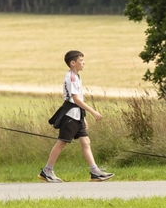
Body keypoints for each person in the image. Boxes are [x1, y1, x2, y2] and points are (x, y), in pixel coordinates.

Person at [39, 50, 114, 183]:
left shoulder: (76, 76)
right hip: (71, 115)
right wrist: (93, 112)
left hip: (77, 114)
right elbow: (75, 99)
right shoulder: (71, 77)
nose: (84, 63)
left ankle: (95, 172)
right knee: (62, 142)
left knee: (86, 142)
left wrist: (82, 117)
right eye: (81, 60)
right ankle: (47, 171)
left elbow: (76, 101)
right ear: (73, 63)